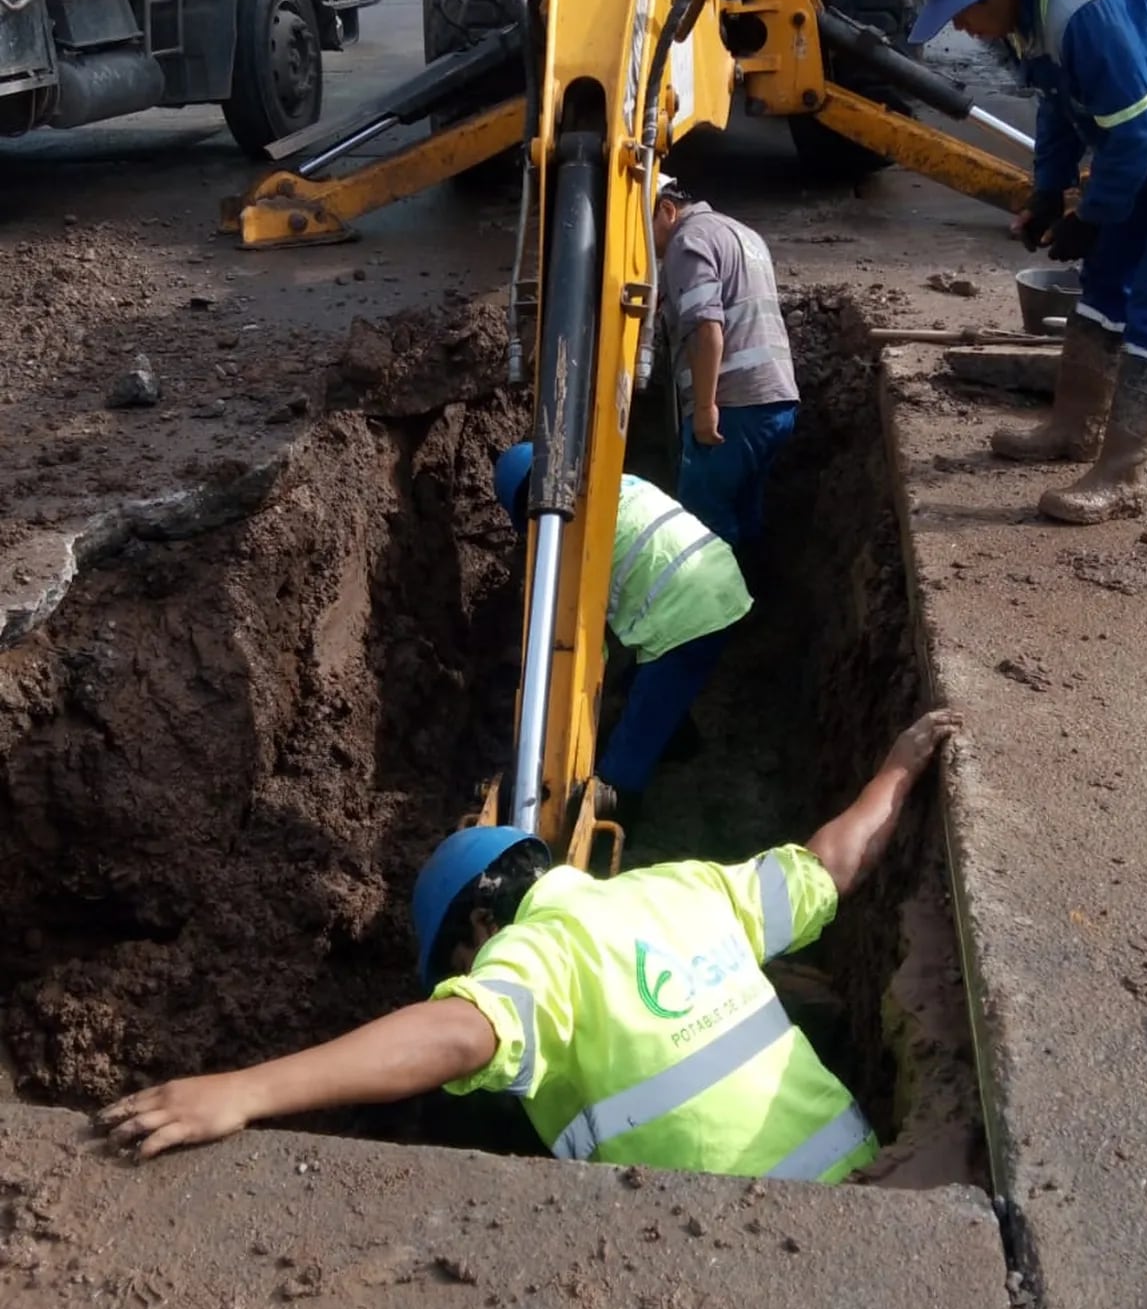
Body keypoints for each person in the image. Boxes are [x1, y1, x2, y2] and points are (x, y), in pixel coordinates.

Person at [96, 711, 961, 1175]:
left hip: (750, 1241)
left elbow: (459, 1034)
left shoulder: (534, 954)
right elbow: (831, 865)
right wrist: (896, 767)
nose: (468, 979)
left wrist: (244, 1092)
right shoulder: (684, 888)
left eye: (461, 966)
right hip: (865, 1178)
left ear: (481, 927)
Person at [907, 0, 1147, 525]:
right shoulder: (1028, 11)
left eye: (965, 7)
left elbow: (1139, 130)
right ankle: (1074, 427)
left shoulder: (1086, 6)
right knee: (1103, 278)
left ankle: (1125, 474)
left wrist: (1092, 216)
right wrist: (1050, 190)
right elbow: (1059, 101)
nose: (961, 25)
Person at [492, 442, 750, 798]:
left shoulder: (572, 544)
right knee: (639, 687)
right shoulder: (621, 482)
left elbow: (583, 651)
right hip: (721, 577)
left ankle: (618, 807)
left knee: (626, 751)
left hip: (688, 616)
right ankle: (680, 743)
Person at [654, 177, 797, 545]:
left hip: (732, 406)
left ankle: (716, 600)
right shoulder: (743, 233)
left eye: (643, 228)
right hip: (776, 401)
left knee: (702, 525)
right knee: (743, 509)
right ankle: (748, 597)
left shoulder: (686, 241)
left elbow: (706, 327)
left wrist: (704, 408)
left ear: (667, 210)